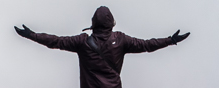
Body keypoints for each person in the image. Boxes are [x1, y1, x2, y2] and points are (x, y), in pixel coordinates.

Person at [15, 5, 189, 88]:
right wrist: (170, 40)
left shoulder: (82, 42)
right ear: (112, 23)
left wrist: (32, 35)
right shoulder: (121, 40)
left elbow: (56, 41)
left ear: (93, 23)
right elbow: (147, 45)